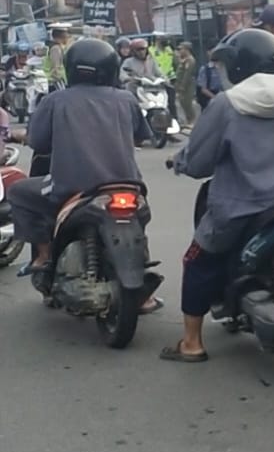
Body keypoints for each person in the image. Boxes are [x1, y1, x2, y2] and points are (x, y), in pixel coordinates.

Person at [161, 28, 274, 364]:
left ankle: (191, 343)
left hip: (242, 211)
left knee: (198, 261)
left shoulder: (225, 105)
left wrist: (180, 161)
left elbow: (199, 163)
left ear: (238, 66)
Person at [8, 39, 163, 312]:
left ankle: (43, 256)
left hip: (72, 188)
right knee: (136, 223)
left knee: (19, 191)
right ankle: (143, 293)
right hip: (128, 187)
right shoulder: (126, 99)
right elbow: (141, 137)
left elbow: (39, 142)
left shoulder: (55, 100)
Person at [173, 42, 198, 129]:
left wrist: (182, 86)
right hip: (180, 84)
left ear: (187, 49)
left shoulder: (190, 60)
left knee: (187, 103)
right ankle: (188, 120)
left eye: (182, 49)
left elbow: (187, 74)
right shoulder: (183, 59)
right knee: (182, 103)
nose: (180, 50)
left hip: (187, 85)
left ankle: (192, 121)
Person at [45, 24, 71, 92]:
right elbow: (55, 68)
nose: (68, 37)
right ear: (62, 36)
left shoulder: (58, 47)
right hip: (56, 82)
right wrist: (59, 79)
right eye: (67, 35)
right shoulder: (55, 49)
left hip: (58, 80)